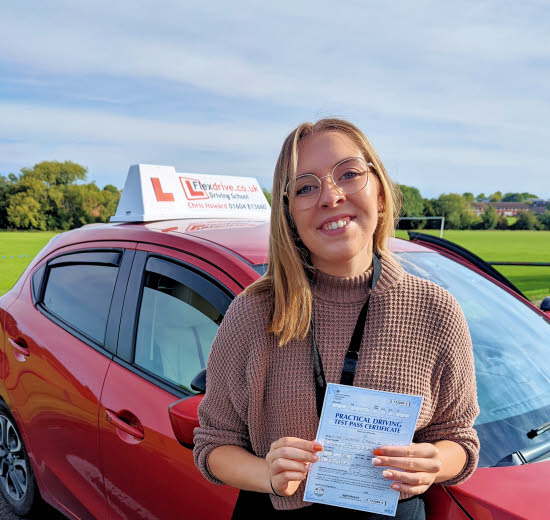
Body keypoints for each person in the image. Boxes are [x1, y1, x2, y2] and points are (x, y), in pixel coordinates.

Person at [193, 118, 479, 519]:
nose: (330, 196)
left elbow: (459, 440)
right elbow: (212, 445)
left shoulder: (436, 311)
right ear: (289, 214)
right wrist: (266, 473)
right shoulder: (254, 312)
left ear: (379, 193)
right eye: (306, 186)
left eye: (348, 174)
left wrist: (433, 464)